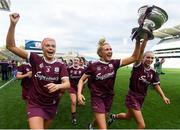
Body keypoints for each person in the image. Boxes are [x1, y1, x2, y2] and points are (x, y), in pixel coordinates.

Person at [6, 13, 70, 129]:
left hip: (52, 104)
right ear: (42, 47)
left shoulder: (61, 65)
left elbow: (67, 84)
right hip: (35, 103)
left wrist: (58, 86)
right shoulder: (35, 59)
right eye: (48, 45)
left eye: (53, 46)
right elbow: (11, 46)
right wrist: (13, 25)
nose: (51, 48)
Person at [77, 33, 146, 129]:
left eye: (110, 49)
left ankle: (91, 126)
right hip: (97, 97)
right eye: (107, 49)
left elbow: (134, 57)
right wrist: (79, 93)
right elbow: (81, 80)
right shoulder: (93, 66)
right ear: (100, 53)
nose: (110, 51)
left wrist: (138, 41)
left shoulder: (114, 63)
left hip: (109, 96)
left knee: (103, 116)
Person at [107, 39, 170, 129]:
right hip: (132, 96)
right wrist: (145, 40)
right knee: (141, 125)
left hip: (142, 97)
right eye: (147, 57)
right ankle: (114, 117)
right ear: (143, 58)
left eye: (152, 58)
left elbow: (156, 85)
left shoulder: (153, 71)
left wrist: (163, 96)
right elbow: (140, 52)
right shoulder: (138, 66)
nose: (150, 59)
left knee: (128, 117)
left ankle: (114, 117)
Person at [67, 57, 86, 125]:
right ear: (73, 61)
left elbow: (87, 78)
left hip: (79, 87)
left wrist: (82, 83)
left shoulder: (82, 69)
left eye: (77, 60)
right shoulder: (69, 68)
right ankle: (74, 118)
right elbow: (66, 77)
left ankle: (79, 100)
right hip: (71, 87)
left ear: (79, 62)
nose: (76, 61)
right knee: (73, 101)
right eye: (75, 60)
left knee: (79, 99)